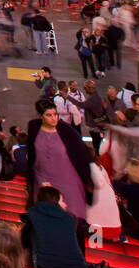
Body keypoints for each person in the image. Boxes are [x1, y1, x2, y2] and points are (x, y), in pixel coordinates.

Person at [26, 98, 93, 231]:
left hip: (68, 182)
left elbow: (83, 154)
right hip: (42, 179)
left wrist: (89, 179)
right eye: (49, 115)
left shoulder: (68, 131)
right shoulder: (34, 126)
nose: (53, 118)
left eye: (55, 114)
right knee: (44, 223)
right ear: (40, 116)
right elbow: (31, 152)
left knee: (69, 222)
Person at [20, 185, 90, 268]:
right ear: (54, 202)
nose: (65, 204)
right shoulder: (71, 219)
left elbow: (24, 243)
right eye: (62, 201)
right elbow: (80, 250)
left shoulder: (33, 217)